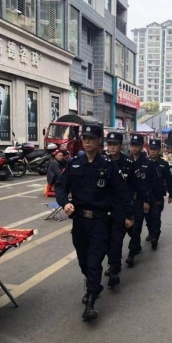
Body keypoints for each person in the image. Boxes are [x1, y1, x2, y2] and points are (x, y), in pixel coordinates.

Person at [55, 125, 134, 321]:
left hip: (100, 222)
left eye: (91, 138)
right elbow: (60, 186)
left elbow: (123, 192)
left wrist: (129, 215)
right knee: (83, 260)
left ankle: (90, 301)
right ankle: (94, 284)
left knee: (94, 261)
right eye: (84, 138)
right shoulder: (74, 163)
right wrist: (65, 203)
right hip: (79, 221)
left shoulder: (108, 165)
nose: (87, 141)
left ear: (99, 141)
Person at [104, 132, 148, 287]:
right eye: (109, 144)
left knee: (117, 239)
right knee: (107, 240)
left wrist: (143, 201)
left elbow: (138, 185)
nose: (112, 147)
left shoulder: (128, 163)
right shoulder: (103, 161)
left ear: (121, 145)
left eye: (115, 144)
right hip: (105, 207)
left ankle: (115, 267)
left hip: (123, 206)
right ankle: (114, 262)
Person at [124, 134, 153, 267]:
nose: (134, 148)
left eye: (137, 145)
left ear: (142, 147)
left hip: (140, 199)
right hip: (127, 200)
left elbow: (150, 184)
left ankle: (131, 253)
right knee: (129, 227)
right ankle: (136, 244)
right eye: (132, 145)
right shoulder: (126, 161)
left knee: (137, 227)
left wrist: (147, 200)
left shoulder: (147, 163)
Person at [145, 139, 172, 249]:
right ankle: (150, 231)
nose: (153, 151)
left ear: (159, 150)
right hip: (146, 196)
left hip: (158, 195)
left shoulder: (164, 164)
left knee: (156, 217)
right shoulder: (144, 162)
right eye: (151, 149)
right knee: (148, 217)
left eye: (155, 149)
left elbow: (169, 180)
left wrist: (171, 194)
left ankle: (155, 237)